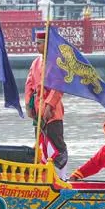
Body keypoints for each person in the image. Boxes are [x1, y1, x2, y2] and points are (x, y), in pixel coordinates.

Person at [24, 29, 67, 174]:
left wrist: (49, 105)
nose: (37, 46)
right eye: (36, 43)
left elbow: (58, 86)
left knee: (57, 145)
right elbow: (29, 84)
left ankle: (61, 175)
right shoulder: (36, 62)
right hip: (38, 109)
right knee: (41, 141)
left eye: (40, 43)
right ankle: (43, 173)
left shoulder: (56, 62)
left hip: (53, 111)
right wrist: (28, 105)